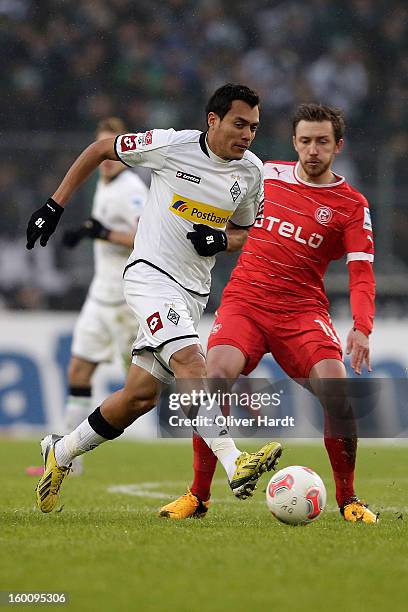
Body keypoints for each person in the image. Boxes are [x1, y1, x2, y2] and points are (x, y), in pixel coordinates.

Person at [26, 83, 283, 513]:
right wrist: (55, 205)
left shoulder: (250, 172)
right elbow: (101, 149)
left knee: (139, 397)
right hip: (149, 276)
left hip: (192, 292)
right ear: (213, 120)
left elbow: (246, 232)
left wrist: (220, 239)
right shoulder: (171, 146)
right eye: (239, 124)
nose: (247, 135)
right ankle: (236, 461)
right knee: (191, 362)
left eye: (254, 128)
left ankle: (61, 450)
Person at [160, 103, 378, 524]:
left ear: (338, 146)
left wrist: (362, 328)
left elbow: (361, 272)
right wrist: (215, 236)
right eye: (305, 141)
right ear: (294, 142)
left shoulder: (351, 205)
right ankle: (197, 496)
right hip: (245, 302)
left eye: (322, 142)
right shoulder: (265, 174)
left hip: (301, 312)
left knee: (339, 395)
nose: (313, 150)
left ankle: (349, 500)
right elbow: (232, 217)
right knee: (215, 380)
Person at [26, 117, 148, 477]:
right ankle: (67, 459)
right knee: (78, 369)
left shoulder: (131, 189)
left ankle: (176, 433)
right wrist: (86, 232)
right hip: (101, 295)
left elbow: (145, 239)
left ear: (124, 152)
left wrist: (104, 232)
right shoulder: (103, 182)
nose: (107, 157)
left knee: (142, 387)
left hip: (127, 301)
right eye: (102, 148)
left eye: (113, 149)